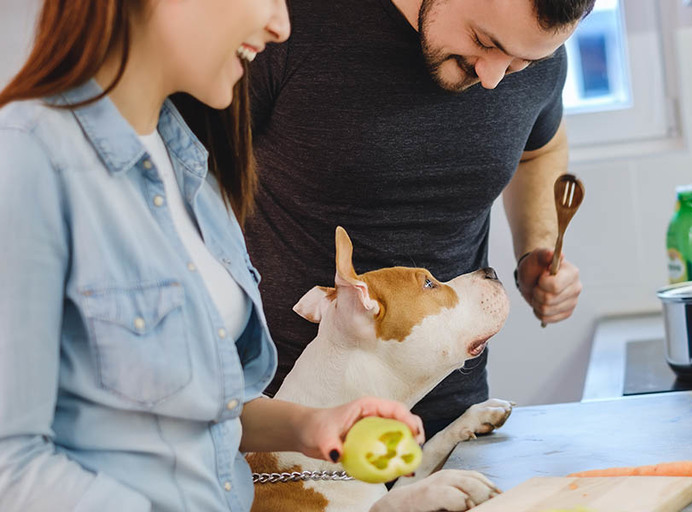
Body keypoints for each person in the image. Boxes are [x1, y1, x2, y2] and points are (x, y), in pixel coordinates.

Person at [0, 1, 423, 510]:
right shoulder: (24, 161)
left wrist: (311, 425)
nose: (282, 25)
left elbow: (201, 410)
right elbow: (11, 467)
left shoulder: (194, 168)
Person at [247, 0, 593, 438]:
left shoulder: (534, 47)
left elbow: (540, 149)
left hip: (451, 410)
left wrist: (536, 249)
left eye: (522, 63)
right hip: (282, 411)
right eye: (484, 42)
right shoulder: (288, 23)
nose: (493, 78)